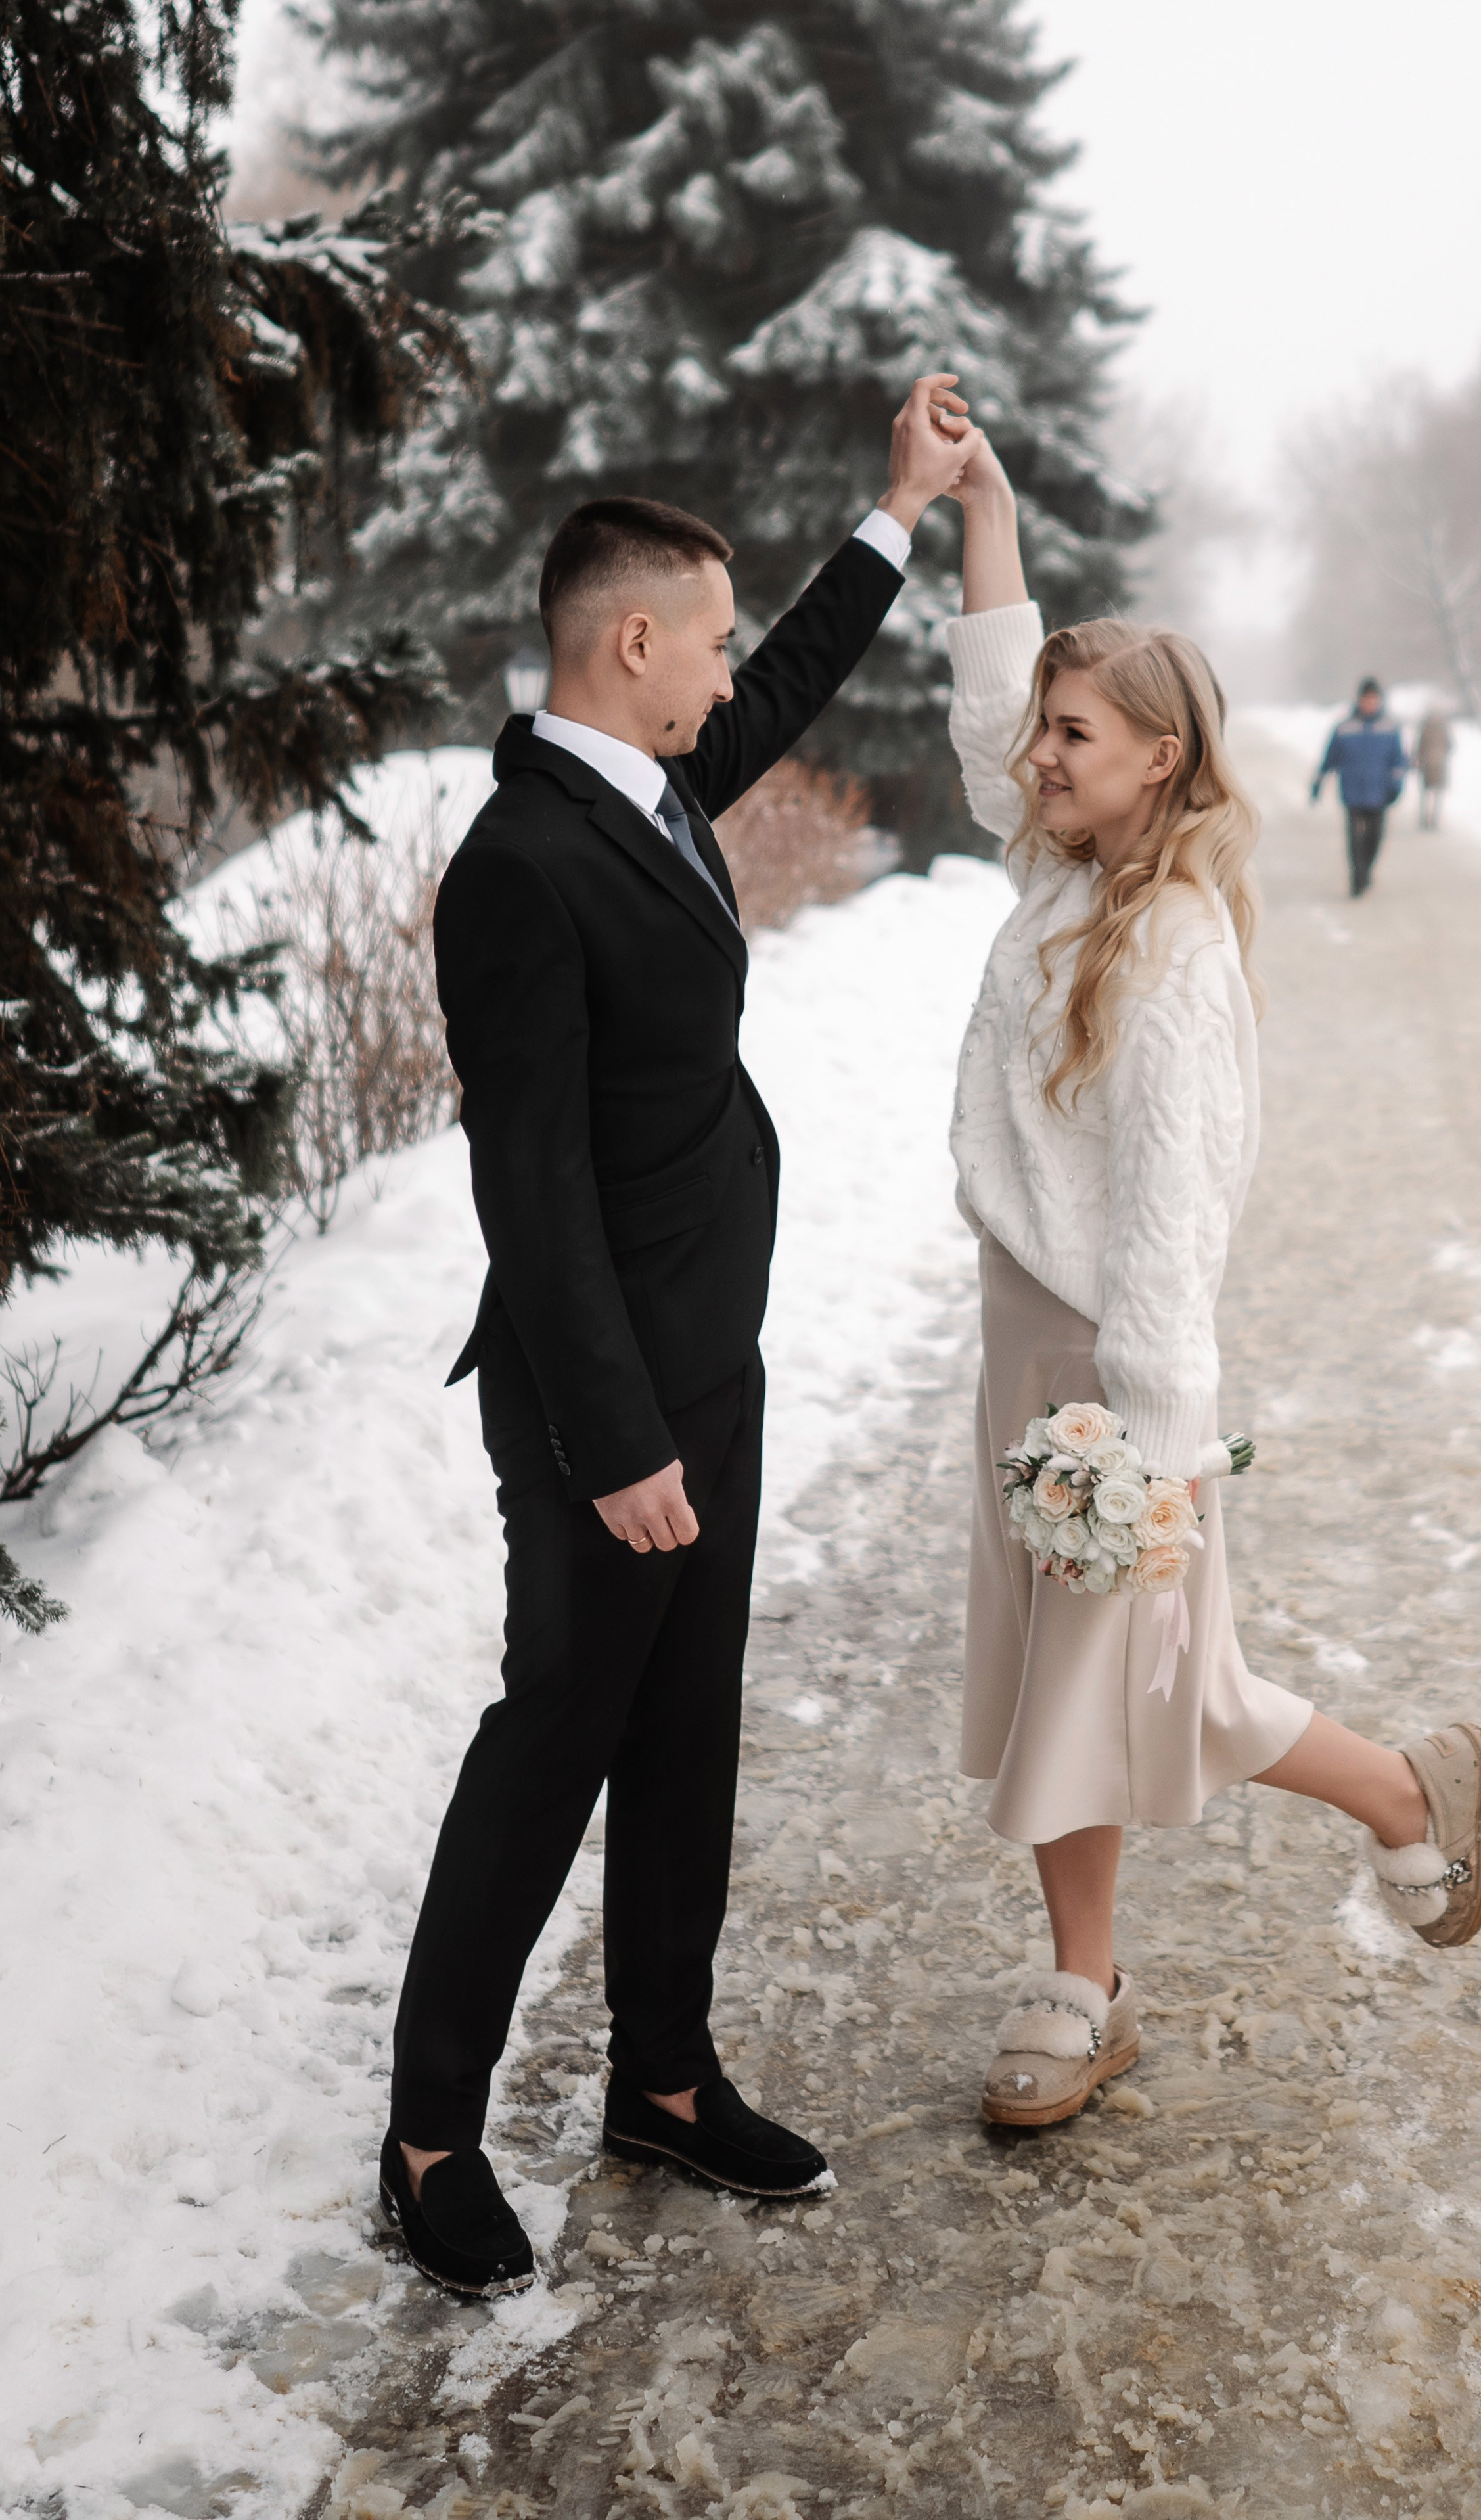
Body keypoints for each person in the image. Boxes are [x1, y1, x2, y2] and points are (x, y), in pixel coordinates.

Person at [380, 375, 984, 2295]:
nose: (731, 678)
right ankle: (426, 2135)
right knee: (552, 1739)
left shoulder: (637, 797)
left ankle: (661, 2075)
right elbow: (531, 1193)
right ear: (628, 645)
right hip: (600, 1410)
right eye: (706, 645)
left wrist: (894, 512)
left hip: (704, 1375)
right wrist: (621, 1443)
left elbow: (789, 681)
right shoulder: (520, 866)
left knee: (686, 1735)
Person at [937, 438, 1481, 2129]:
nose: (1035, 754)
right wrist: (981, 515)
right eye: (1042, 727)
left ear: (1156, 758)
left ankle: (1348, 1823)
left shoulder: (1173, 947)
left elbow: (1177, 1215)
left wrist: (1154, 1446)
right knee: (1089, 1675)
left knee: (1152, 1679)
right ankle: (1109, 1967)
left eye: (1072, 733)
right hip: (1017, 1339)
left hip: (1115, 1367)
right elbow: (981, 716)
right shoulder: (1053, 868)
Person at [1310, 677, 1409, 896]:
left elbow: (1398, 759)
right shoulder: (1345, 727)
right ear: (1359, 699)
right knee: (1354, 838)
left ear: (1380, 701)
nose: (1370, 703)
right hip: (1353, 792)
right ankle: (1358, 876)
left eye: (1374, 699)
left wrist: (1397, 782)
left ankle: (1368, 869)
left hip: (1379, 793)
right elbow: (1331, 757)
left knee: (1375, 836)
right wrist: (1319, 780)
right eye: (1366, 699)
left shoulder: (1390, 728)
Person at [1415, 705, 1452, 829]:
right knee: (1436, 794)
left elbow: (1420, 746)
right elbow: (1450, 746)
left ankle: (1425, 819)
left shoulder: (1425, 728)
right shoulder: (1443, 729)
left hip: (1428, 765)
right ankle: (1433, 820)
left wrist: (1419, 760)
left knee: (1426, 795)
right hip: (1439, 765)